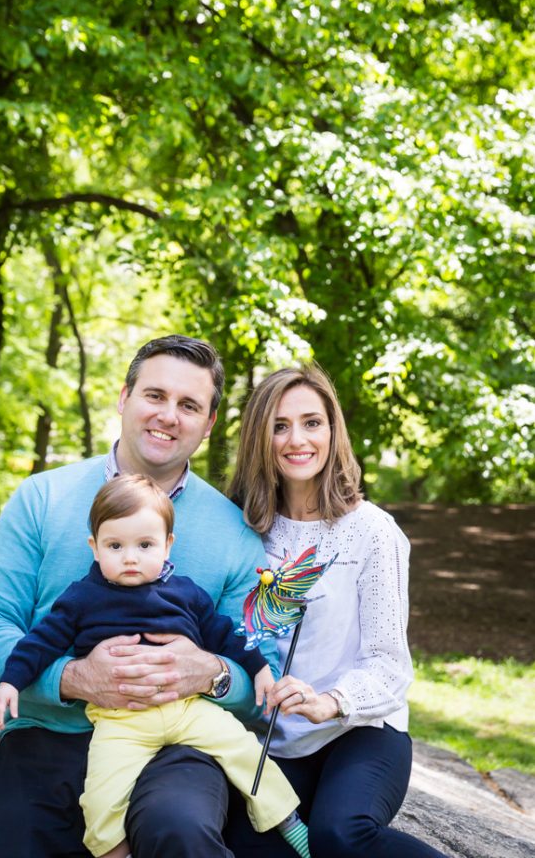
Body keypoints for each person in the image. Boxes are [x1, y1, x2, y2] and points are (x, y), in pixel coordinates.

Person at [0, 334, 277, 858]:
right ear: (124, 398)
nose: (169, 416)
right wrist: (75, 678)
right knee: (25, 828)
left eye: (189, 405)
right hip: (49, 732)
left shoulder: (235, 532)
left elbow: (259, 667)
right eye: (155, 395)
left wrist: (212, 674)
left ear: (209, 423)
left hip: (178, 742)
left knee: (181, 830)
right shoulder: (42, 498)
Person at [0, 473, 311, 858]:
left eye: (144, 545)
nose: (130, 557)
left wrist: (258, 669)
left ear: (167, 545)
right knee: (101, 795)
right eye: (115, 546)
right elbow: (40, 642)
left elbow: (227, 635)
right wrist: (11, 681)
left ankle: (287, 821)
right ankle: (114, 851)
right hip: (120, 720)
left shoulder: (185, 592)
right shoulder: (82, 598)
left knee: (245, 751)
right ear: (94, 548)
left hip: (188, 710)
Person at [223, 364, 450, 858]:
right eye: (279, 426)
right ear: (259, 438)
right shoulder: (240, 528)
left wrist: (332, 701)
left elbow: (390, 665)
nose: (296, 439)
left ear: (333, 431)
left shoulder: (372, 531)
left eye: (312, 422)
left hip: (360, 730)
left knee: (338, 834)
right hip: (277, 740)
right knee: (243, 845)